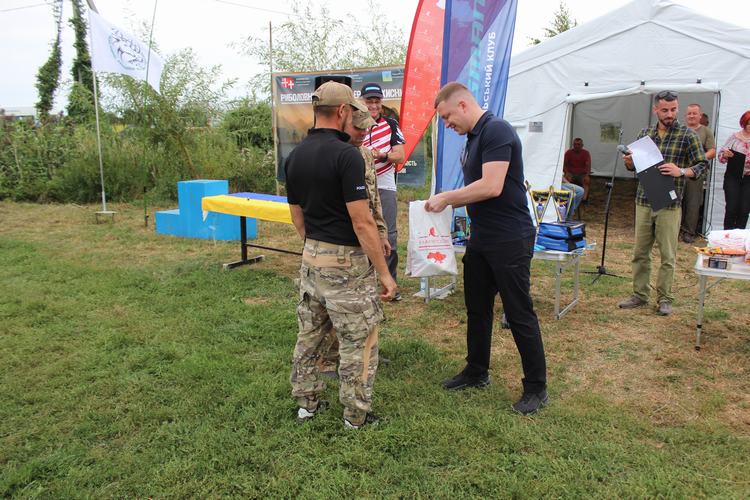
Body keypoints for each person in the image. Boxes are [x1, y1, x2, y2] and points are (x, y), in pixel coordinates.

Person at [425, 82, 548, 415]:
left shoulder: (497, 131)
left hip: (510, 238)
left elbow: (492, 186)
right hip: (481, 236)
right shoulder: (472, 139)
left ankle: (536, 387)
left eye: (447, 117)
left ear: (463, 105)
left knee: (519, 312)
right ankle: (476, 370)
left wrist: (447, 197)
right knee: (477, 308)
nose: (446, 125)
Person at [285, 81, 396, 429]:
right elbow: (362, 222)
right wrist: (384, 273)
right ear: (344, 111)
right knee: (358, 341)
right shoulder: (347, 156)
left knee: (310, 337)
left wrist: (315, 246)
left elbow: (297, 216)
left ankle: (307, 405)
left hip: (311, 260)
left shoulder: (295, 156)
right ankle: (355, 416)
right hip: (347, 265)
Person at [618, 91, 707, 316]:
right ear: (655, 110)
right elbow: (634, 167)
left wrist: (682, 171)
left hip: (670, 204)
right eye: (665, 110)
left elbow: (702, 165)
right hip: (644, 200)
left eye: (674, 109)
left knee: (668, 255)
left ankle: (665, 298)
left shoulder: (687, 135)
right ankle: (640, 294)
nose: (670, 114)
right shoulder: (645, 134)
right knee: (640, 252)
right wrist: (629, 162)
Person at [317, 108, 391, 379]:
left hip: (366, 238)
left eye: (367, 128)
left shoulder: (365, 155)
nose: (363, 133)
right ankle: (329, 358)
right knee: (335, 305)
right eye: (358, 128)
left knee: (366, 299)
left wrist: (381, 232)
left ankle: (366, 352)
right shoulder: (332, 154)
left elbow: (373, 197)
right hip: (340, 242)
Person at [360, 82, 406, 300]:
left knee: (388, 234)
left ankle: (390, 285)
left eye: (377, 101)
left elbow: (400, 155)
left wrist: (383, 155)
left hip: (385, 184)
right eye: (369, 101)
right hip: (359, 184)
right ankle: (364, 283)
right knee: (362, 229)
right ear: (362, 102)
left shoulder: (391, 124)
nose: (373, 105)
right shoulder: (354, 123)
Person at [679, 103, 716, 243]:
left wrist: (699, 158)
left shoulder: (706, 131)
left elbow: (712, 151)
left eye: (695, 113)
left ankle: (688, 232)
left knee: (693, 203)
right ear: (685, 116)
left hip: (695, 173)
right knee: (675, 201)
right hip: (678, 171)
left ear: (700, 116)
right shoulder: (679, 130)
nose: (692, 116)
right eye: (689, 113)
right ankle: (674, 229)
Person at [717, 110, 750, 229]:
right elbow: (720, 156)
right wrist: (725, 155)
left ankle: (739, 235)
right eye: (749, 123)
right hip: (733, 176)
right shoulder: (734, 137)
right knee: (731, 207)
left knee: (745, 209)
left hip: (748, 178)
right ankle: (727, 234)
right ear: (744, 123)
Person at [563, 138, 592, 204]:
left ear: (582, 145)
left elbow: (588, 165)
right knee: (566, 179)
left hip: (582, 174)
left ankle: (584, 199)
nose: (576, 146)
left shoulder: (586, 153)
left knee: (586, 180)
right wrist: (566, 172)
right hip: (571, 173)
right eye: (575, 144)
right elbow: (563, 164)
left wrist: (587, 175)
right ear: (573, 145)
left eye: (578, 144)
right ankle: (567, 197)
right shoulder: (568, 152)